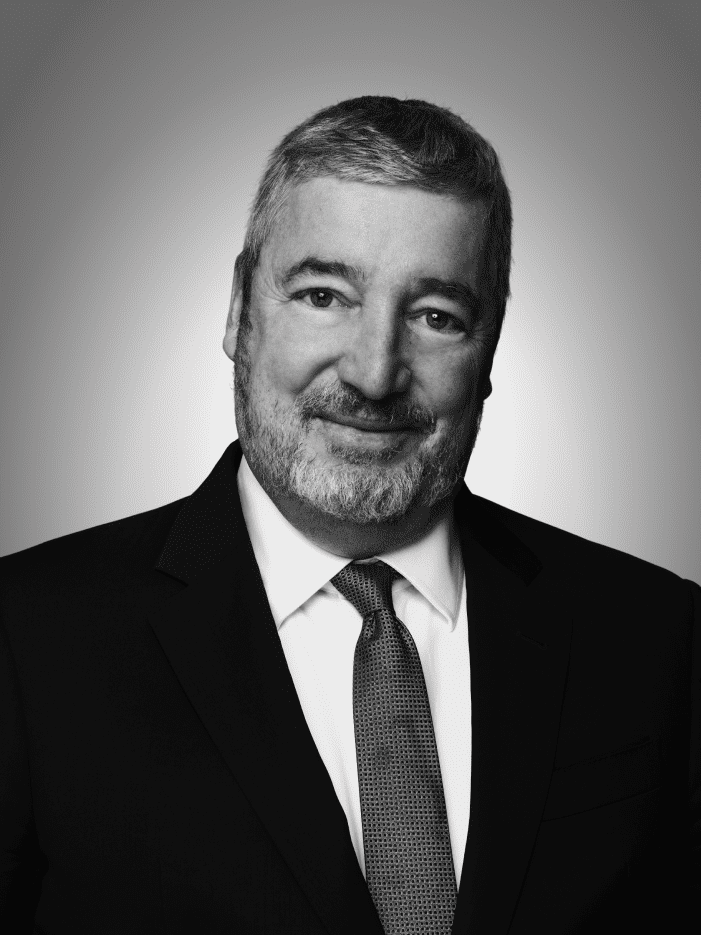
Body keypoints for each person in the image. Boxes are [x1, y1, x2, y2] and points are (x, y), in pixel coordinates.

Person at [1, 95, 698, 935]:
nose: (374, 372)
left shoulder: (659, 636)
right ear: (238, 310)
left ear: (490, 349)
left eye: (436, 315)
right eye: (325, 294)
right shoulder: (27, 637)